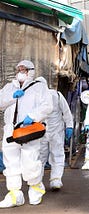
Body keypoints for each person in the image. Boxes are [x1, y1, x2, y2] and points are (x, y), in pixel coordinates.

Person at [0, 60, 53, 208]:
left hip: (28, 129)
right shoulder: (9, 87)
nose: (20, 72)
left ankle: (36, 189)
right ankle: (14, 195)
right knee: (11, 163)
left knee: (30, 161)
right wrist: (12, 96)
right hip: (10, 130)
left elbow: (47, 106)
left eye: (23, 69)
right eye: (18, 69)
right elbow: (0, 102)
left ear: (31, 71)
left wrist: (33, 116)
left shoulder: (39, 87)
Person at [36, 77, 73, 190]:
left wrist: (69, 126)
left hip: (56, 130)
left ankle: (56, 179)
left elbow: (66, 112)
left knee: (57, 154)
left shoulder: (56, 95)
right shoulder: (34, 98)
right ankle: (37, 181)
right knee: (39, 157)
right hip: (40, 131)